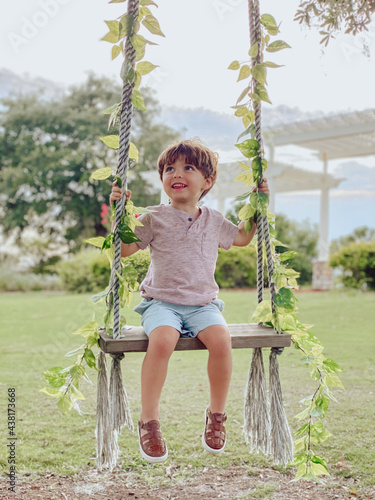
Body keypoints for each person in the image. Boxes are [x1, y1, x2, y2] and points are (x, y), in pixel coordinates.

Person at [109, 139, 269, 464]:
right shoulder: (153, 217)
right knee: (163, 339)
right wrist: (119, 214)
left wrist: (257, 205)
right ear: (163, 179)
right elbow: (124, 251)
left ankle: (217, 415)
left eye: (188, 168)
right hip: (161, 303)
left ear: (207, 181)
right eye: (169, 168)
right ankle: (149, 422)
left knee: (222, 340)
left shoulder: (213, 219)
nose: (176, 173)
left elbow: (241, 238)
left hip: (203, 305)